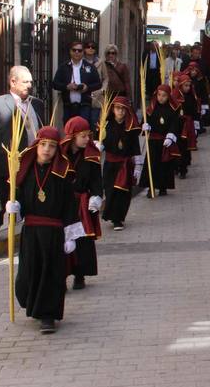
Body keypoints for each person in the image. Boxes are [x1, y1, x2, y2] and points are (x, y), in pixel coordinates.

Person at [4, 127, 70, 334]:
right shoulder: (24, 172)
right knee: (28, 273)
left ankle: (48, 315)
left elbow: (69, 204)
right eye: (43, 145)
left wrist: (71, 233)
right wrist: (14, 207)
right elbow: (18, 198)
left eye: (52, 146)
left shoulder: (62, 173)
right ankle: (32, 304)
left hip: (53, 232)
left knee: (51, 273)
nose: (47, 150)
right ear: (36, 146)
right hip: (31, 231)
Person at [0, 66, 45, 242]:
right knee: (0, 200)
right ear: (13, 82)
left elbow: (42, 129)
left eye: (30, 82)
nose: (29, 85)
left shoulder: (37, 104)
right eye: (25, 81)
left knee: (29, 199)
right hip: (5, 164)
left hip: (32, 162)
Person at [61, 116, 103, 291]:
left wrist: (96, 196)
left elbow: (96, 180)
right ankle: (61, 276)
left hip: (81, 203)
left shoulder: (91, 155)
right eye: (83, 136)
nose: (87, 139)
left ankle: (80, 275)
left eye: (88, 135)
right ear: (73, 136)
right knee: (62, 239)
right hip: (63, 202)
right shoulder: (60, 155)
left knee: (82, 240)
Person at [100, 96, 143, 230]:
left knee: (122, 193)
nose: (120, 112)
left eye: (123, 109)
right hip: (110, 163)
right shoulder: (105, 125)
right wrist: (99, 145)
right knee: (110, 190)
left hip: (124, 165)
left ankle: (118, 219)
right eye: (118, 108)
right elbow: (101, 140)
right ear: (113, 109)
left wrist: (137, 166)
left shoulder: (130, 127)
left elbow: (135, 147)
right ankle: (111, 215)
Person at [51, 40, 102, 126]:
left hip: (84, 106)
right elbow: (55, 84)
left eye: (79, 50)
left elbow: (98, 84)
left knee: (83, 130)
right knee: (69, 131)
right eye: (74, 50)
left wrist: (87, 87)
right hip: (68, 106)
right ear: (70, 51)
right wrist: (67, 87)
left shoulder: (90, 67)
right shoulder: (64, 67)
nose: (77, 52)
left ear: (83, 52)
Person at [143, 83, 181, 196]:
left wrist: (170, 135)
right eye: (159, 95)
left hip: (165, 141)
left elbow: (175, 124)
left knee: (164, 165)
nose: (161, 98)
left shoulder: (173, 109)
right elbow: (147, 118)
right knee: (152, 164)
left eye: (164, 95)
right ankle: (151, 187)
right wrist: (146, 125)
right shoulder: (152, 107)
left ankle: (163, 186)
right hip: (153, 140)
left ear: (168, 96)